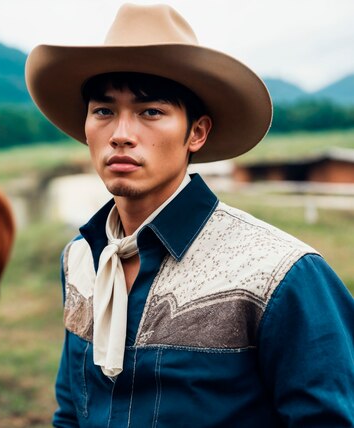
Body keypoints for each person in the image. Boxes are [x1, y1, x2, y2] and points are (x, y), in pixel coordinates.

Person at [25, 4, 354, 427]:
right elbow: (72, 409)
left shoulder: (280, 274)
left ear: (196, 132)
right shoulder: (80, 259)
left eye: (151, 112)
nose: (121, 134)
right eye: (104, 111)